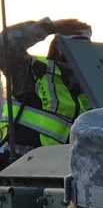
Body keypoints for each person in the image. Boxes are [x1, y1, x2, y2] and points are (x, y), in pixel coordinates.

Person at [0, 16, 93, 163]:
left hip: (62, 168)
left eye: (84, 47)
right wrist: (46, 28)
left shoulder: (91, 88)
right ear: (57, 48)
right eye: (72, 45)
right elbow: (4, 46)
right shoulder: (32, 72)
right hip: (20, 163)